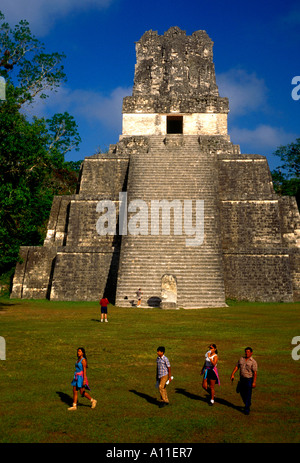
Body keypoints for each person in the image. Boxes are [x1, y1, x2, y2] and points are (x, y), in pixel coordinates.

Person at [230, 346, 257, 415]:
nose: (247, 353)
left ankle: (247, 409)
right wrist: (232, 374)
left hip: (249, 379)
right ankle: (248, 403)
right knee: (241, 392)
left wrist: (254, 382)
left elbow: (255, 373)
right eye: (246, 352)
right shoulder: (241, 359)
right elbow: (237, 367)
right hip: (242, 379)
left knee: (248, 394)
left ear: (251, 353)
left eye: (248, 352)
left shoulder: (253, 362)